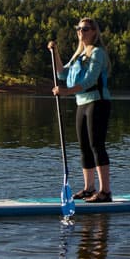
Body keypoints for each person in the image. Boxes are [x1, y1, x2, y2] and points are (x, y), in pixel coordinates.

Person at [48, 18, 113, 202]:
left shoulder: (98, 53)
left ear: (94, 32)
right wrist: (55, 52)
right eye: (78, 28)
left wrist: (65, 92)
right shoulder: (79, 54)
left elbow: (90, 81)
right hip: (82, 103)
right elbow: (62, 73)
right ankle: (89, 188)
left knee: (96, 145)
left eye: (85, 29)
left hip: (98, 102)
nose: (80, 32)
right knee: (84, 147)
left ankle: (105, 192)